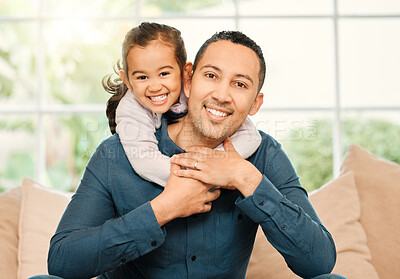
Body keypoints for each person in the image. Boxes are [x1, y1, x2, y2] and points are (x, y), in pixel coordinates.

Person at [37, 29, 347, 279]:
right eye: (211, 76)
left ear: (255, 103)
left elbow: (319, 262)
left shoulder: (264, 155)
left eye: (239, 84)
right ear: (188, 79)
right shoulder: (116, 154)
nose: (222, 95)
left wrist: (244, 176)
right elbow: (63, 260)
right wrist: (164, 208)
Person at [104, 22, 261, 187]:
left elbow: (249, 135)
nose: (155, 86)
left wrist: (221, 166)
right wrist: (198, 175)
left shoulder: (195, 90)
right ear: (127, 80)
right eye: (142, 77)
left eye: (164, 73)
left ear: (185, 74)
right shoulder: (130, 110)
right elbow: (146, 163)